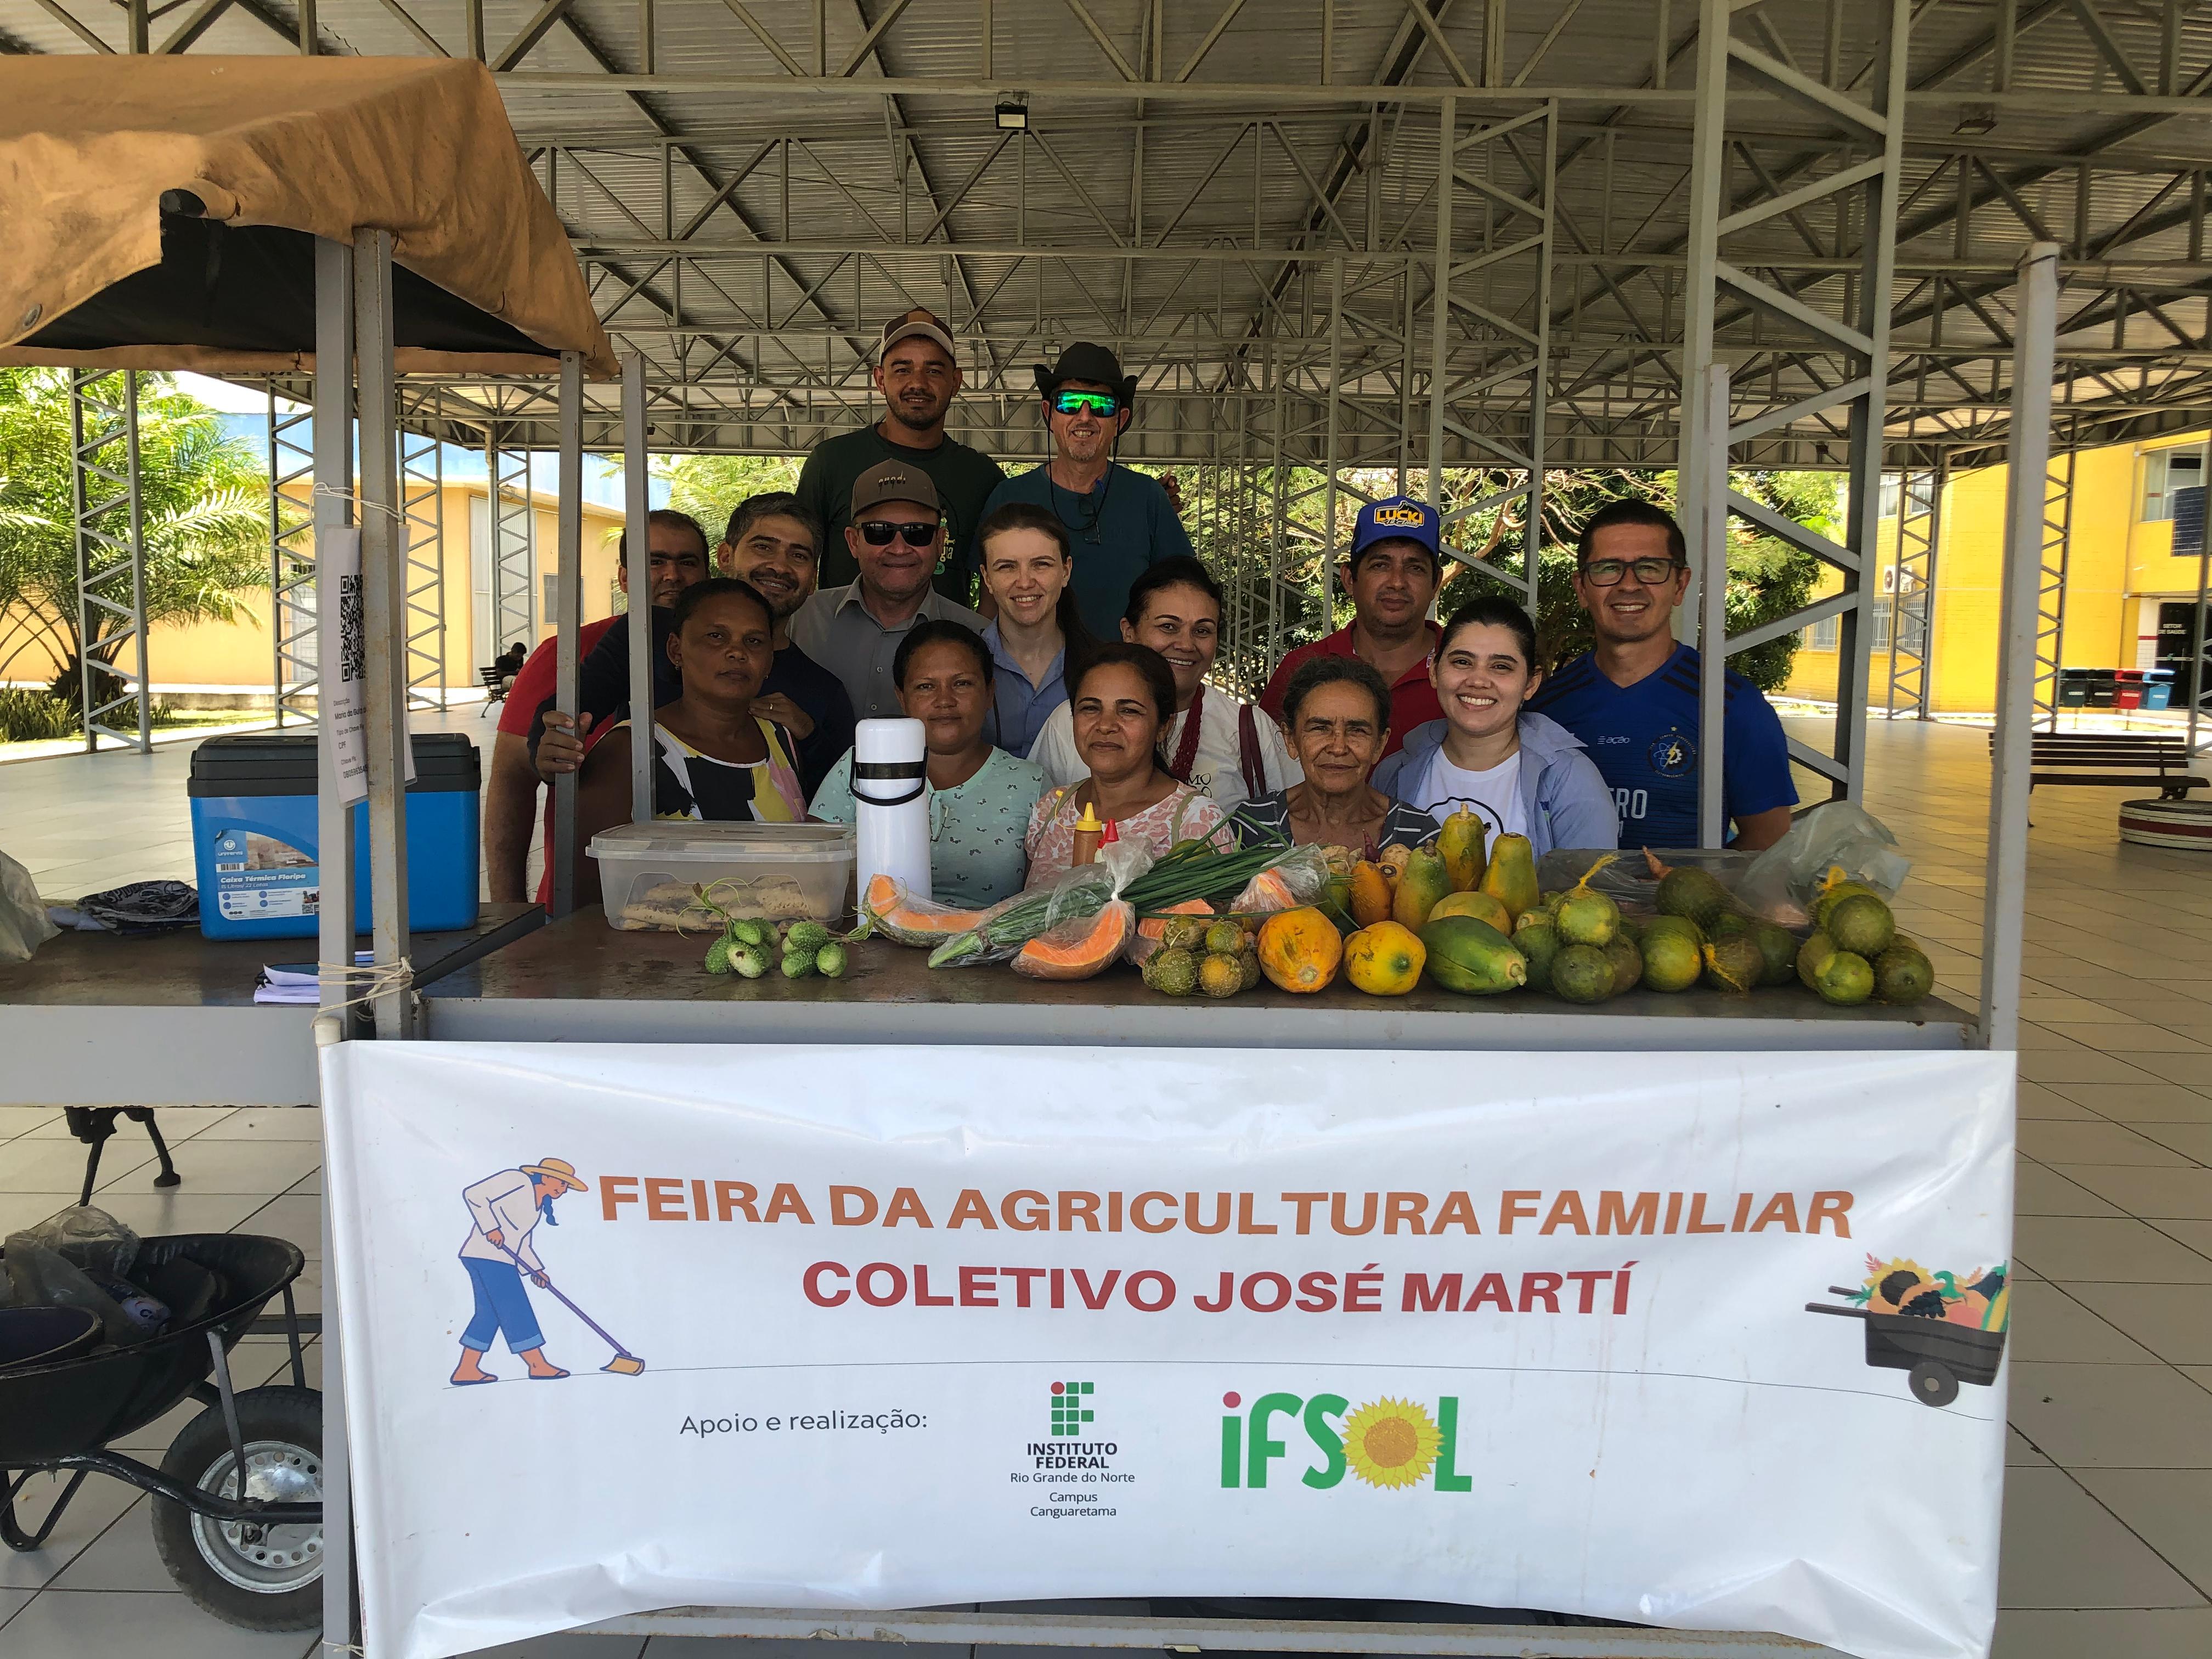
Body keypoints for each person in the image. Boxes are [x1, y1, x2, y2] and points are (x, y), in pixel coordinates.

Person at [532, 493, 854, 806]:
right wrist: (549, 753)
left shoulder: (824, 690)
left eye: (799, 556)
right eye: (763, 547)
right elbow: (566, 714)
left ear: (813, 580)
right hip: (641, 837)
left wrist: (809, 738)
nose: (779, 566)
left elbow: (843, 803)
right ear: (725, 556)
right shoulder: (647, 635)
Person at [1528, 499, 1796, 850]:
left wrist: (1690, 882)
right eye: (1608, 568)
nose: (1629, 585)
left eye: (1650, 568)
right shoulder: (1546, 706)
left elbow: (1768, 840)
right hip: (1565, 889)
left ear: (1680, 585)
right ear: (1582, 588)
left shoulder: (1731, 704)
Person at [485, 509, 711, 903]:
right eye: (654, 562)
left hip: (710, 893)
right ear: (624, 577)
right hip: (582, 898)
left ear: (707, 575)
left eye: (687, 563)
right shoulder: (564, 655)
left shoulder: (732, 660)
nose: (672, 576)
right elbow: (512, 782)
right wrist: (510, 911)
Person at [571, 579, 807, 909]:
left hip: (777, 938)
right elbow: (593, 899)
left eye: (754, 641)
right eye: (716, 636)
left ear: (768, 662)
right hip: (666, 940)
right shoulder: (630, 750)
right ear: (676, 650)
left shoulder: (781, 739)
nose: (737, 652)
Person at [1029, 557, 1297, 813]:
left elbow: (1298, 819)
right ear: (1129, 632)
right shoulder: (1071, 722)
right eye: (1168, 627)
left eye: (1202, 631)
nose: (1186, 645)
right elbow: (1043, 822)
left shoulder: (1249, 729)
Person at [809, 621, 1047, 907]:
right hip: (868, 933)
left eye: (962, 684)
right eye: (925, 687)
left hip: (989, 937)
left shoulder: (1031, 784)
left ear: (989, 693)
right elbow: (813, 874)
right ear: (902, 698)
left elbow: (1047, 901)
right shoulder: (862, 764)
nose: (944, 700)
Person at [1372, 596, 1620, 859]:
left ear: (1531, 684)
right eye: (1462, 662)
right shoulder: (1394, 772)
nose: (1478, 681)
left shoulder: (1570, 779)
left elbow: (1593, 882)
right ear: (1434, 671)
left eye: (1501, 667)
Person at [981, 343, 1195, 637]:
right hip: (1025, 666)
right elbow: (988, 606)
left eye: (1100, 405)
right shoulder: (1008, 497)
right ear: (1049, 414)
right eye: (1069, 403)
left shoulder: (1148, 498)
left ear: (1120, 420)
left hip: (1125, 665)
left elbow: (1182, 595)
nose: (1084, 416)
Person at [795, 308, 1006, 601]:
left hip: (947, 631)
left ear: (956, 382)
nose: (918, 383)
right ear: (880, 379)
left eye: (934, 370)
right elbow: (797, 558)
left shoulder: (982, 477)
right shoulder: (831, 462)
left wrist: (981, 630)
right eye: (903, 369)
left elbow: (998, 572)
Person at [788, 461, 986, 723]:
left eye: (918, 533)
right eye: (879, 532)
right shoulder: (799, 619)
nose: (899, 548)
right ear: (853, 542)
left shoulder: (978, 636)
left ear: (940, 542)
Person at [1259, 496, 1447, 762]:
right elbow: (1265, 768)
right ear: (1349, 579)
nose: (1397, 582)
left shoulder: (1467, 674)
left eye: (1415, 568)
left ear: (1436, 582)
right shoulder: (1301, 666)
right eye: (1380, 565)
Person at [1025, 644, 1231, 881]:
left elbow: (1214, 906)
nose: (1105, 725)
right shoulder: (1052, 809)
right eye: (1090, 708)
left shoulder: (1195, 821)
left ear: (1164, 726)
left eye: (1129, 711)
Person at [1231, 656, 1443, 854]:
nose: (1339, 748)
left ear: (1380, 744)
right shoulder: (1250, 827)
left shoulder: (1419, 835)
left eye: (1357, 730)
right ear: (1291, 740)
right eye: (1320, 728)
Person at [451, 1156, 587, 1386]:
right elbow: (474, 1195)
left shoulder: (537, 1207)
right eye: (561, 1182)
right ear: (545, 1177)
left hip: (498, 1258)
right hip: (487, 1256)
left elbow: (522, 1243)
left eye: (566, 1185)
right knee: (515, 1307)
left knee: (489, 1315)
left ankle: (466, 1369)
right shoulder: (517, 1180)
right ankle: (537, 1365)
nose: (563, 1189)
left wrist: (536, 1270)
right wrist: (491, 1228)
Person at [975, 502, 1092, 758]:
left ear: (1066, 571)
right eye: (1007, 567)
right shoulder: (965, 666)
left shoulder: (1099, 666)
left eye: (1041, 564)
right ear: (987, 578)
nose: (1025, 582)